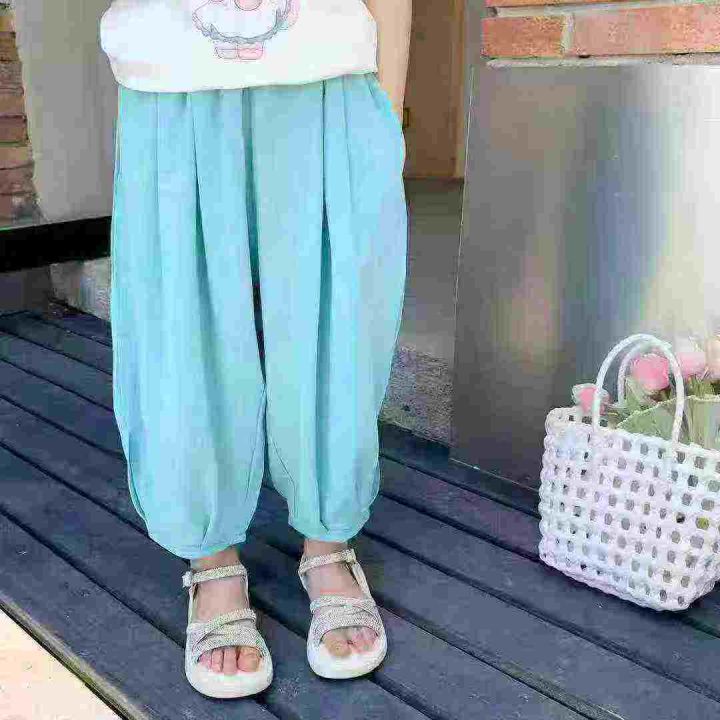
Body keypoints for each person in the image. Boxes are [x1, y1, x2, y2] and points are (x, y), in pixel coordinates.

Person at [100, 0, 411, 699]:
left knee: (337, 317)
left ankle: (329, 544)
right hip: (171, 79)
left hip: (330, 74)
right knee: (182, 320)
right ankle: (212, 561)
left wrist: (385, 99)